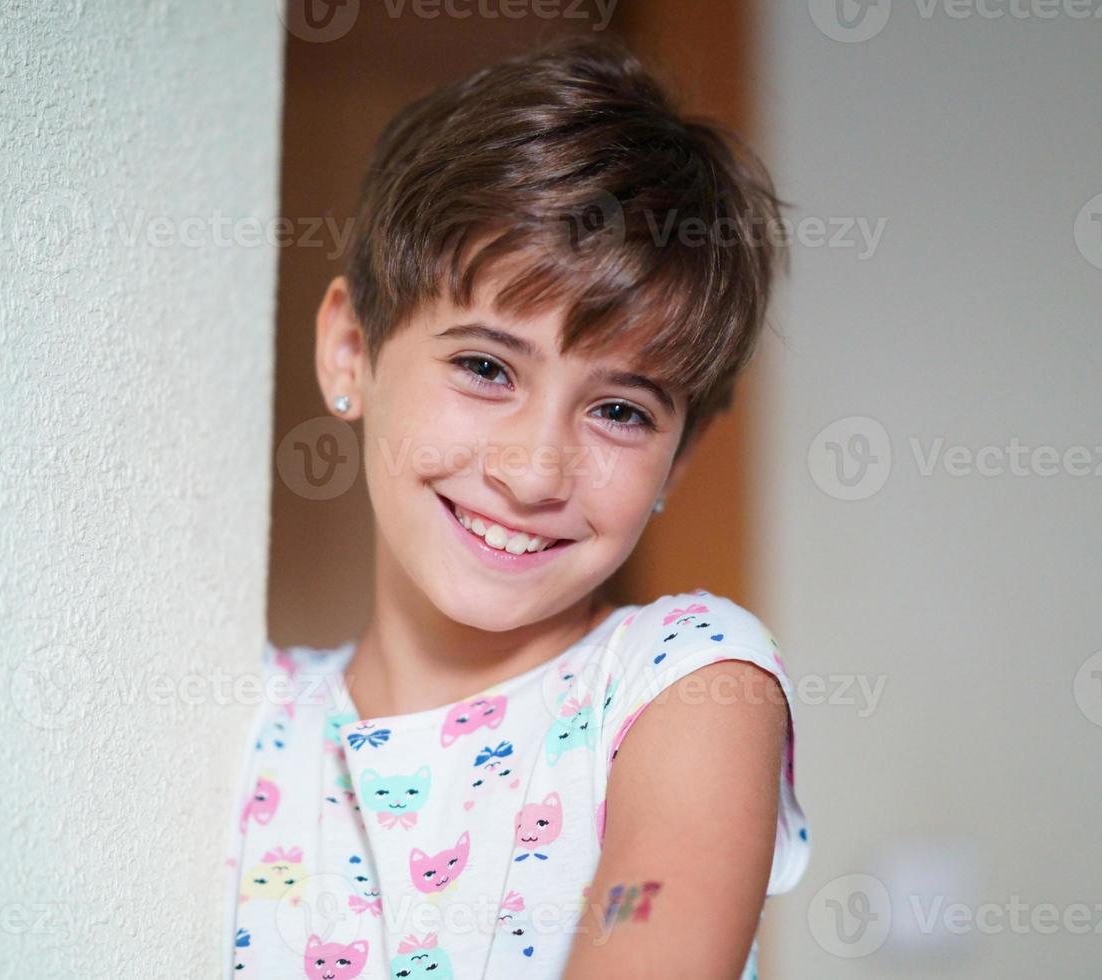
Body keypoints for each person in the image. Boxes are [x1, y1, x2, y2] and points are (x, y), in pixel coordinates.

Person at [224, 36, 811, 979]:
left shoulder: (688, 684)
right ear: (349, 352)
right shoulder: (236, 715)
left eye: (620, 411)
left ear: (681, 454)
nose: (536, 472)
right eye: (486, 367)